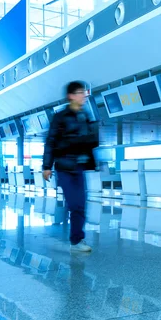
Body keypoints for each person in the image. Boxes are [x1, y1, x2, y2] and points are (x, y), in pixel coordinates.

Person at [43, 81, 98, 252]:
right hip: (65, 166)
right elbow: (51, 142)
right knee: (74, 204)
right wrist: (47, 166)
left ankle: (76, 241)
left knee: (80, 204)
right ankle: (75, 238)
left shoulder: (85, 115)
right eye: (81, 93)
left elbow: (92, 139)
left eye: (84, 93)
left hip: (80, 166)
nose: (84, 96)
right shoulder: (60, 117)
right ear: (71, 96)